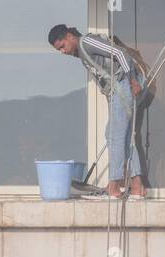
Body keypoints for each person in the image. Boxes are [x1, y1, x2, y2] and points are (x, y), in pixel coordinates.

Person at [48, 24, 147, 199]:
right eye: (59, 50)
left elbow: (120, 53)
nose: (63, 51)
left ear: (69, 36)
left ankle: (114, 186)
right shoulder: (82, 53)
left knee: (115, 136)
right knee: (119, 136)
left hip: (123, 84)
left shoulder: (86, 42)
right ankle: (137, 185)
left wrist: (132, 80)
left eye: (62, 46)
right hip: (117, 90)